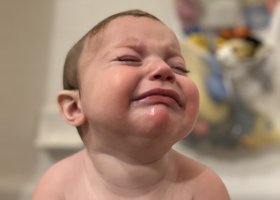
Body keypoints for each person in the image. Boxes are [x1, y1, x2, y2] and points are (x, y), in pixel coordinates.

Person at [32, 9, 230, 200]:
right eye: (129, 59)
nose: (164, 69)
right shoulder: (58, 185)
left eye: (178, 67)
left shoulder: (203, 186)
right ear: (75, 107)